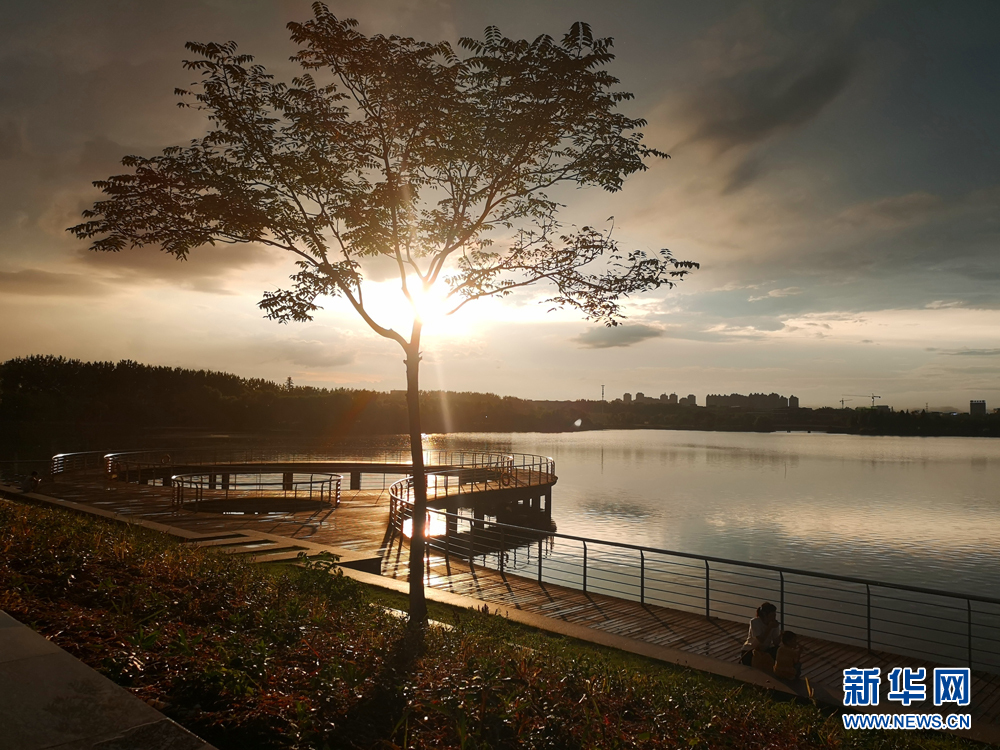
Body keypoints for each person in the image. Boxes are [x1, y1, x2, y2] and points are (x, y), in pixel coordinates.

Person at [740, 601, 780, 666]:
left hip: (765, 649)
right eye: (772, 615)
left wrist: (779, 633)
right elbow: (761, 640)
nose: (774, 617)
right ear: (765, 615)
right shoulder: (755, 622)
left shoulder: (773, 624)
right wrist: (769, 628)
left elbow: (776, 643)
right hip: (750, 650)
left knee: (779, 651)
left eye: (774, 615)